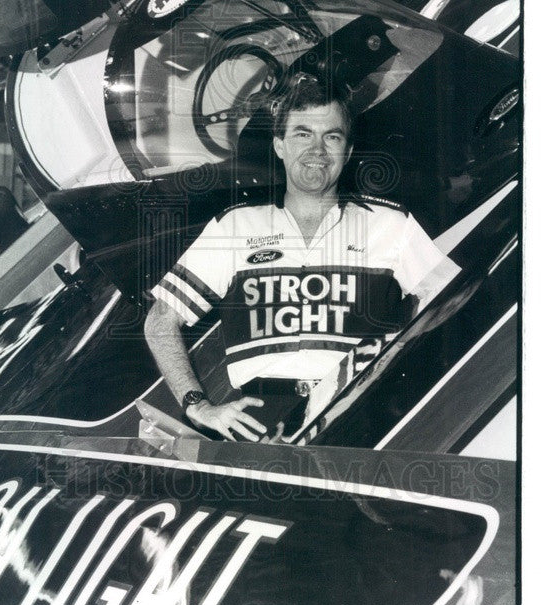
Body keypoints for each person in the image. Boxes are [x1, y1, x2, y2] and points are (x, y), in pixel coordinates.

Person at [144, 74, 460, 442]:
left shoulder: (391, 224)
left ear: (349, 150)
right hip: (263, 422)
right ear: (279, 145)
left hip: (362, 407)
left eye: (332, 136)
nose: (318, 149)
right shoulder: (235, 226)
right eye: (302, 134)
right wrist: (198, 406)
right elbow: (160, 321)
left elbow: (453, 304)